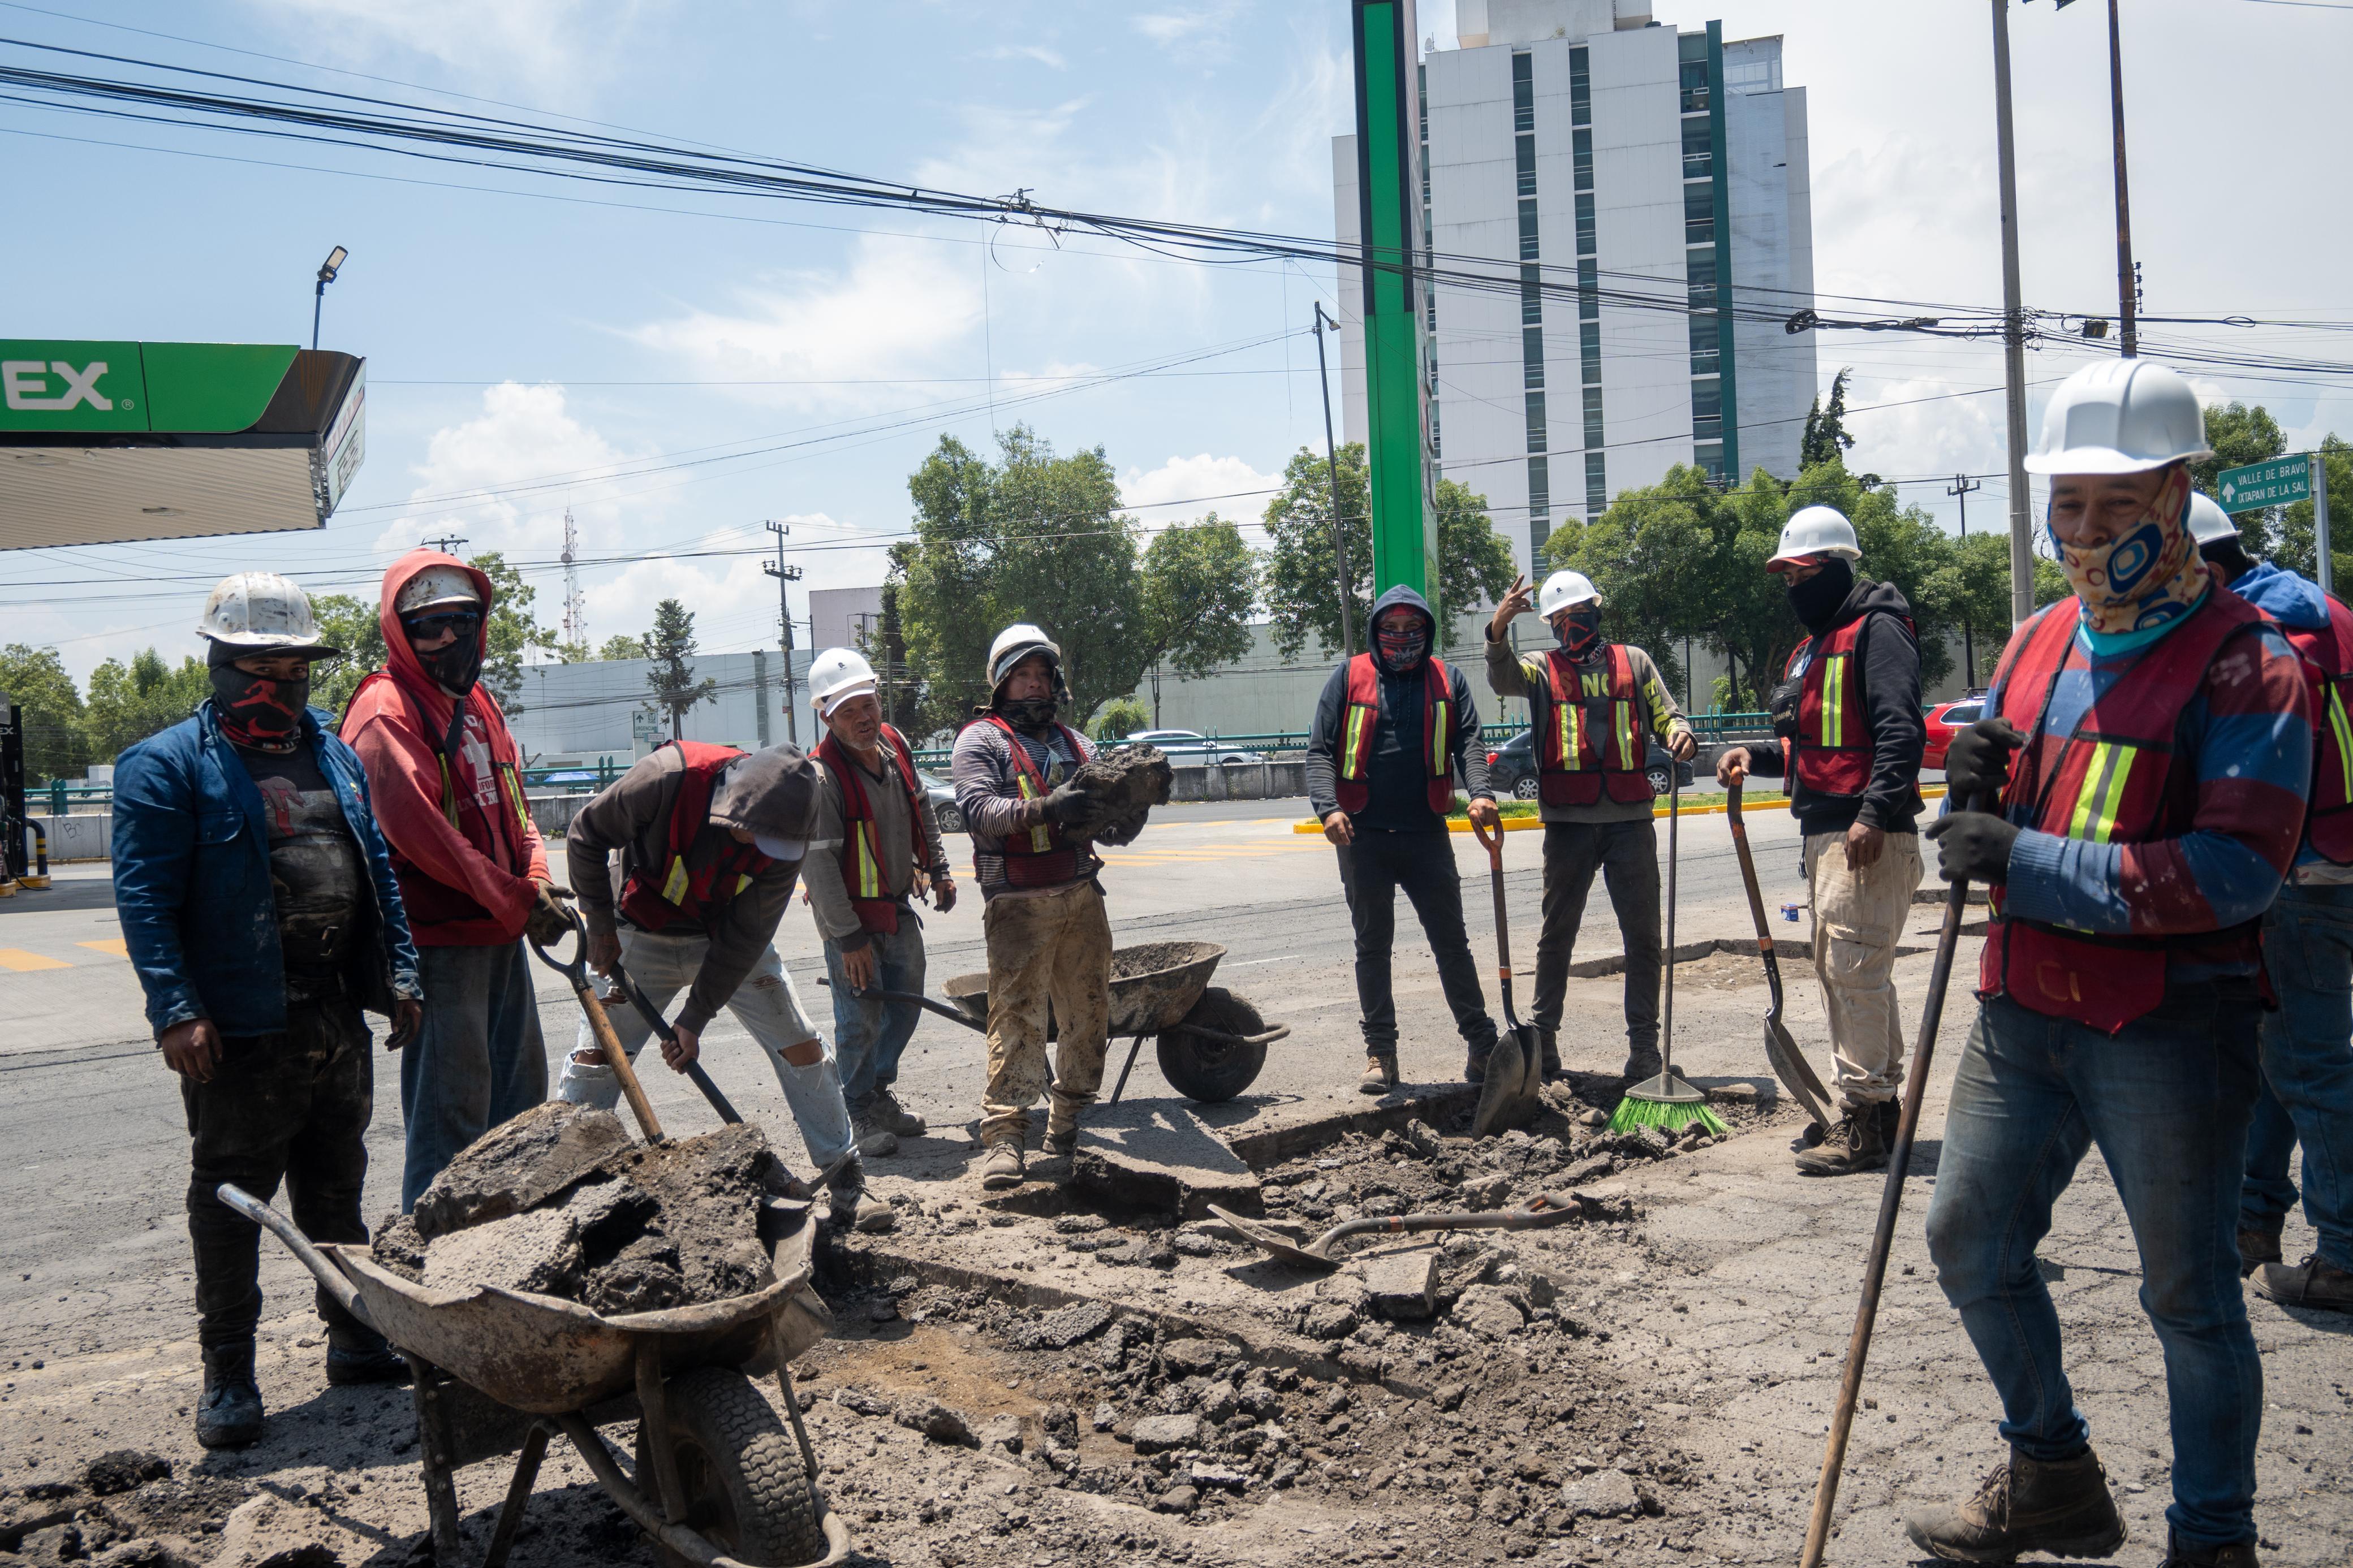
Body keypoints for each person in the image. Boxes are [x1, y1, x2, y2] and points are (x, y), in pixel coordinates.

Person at [1905, 360, 2309, 1568]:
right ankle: (2052, 1477)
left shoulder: (2252, 665)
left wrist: (2018, 856)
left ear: (2178, 495)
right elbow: (2004, 780)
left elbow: (2235, 872)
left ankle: (2212, 1540)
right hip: (2023, 1010)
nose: (2085, 532)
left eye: (2116, 506)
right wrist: (1966, 774)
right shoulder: (2038, 641)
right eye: (2068, 504)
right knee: (1969, 1243)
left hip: (2171, 1024)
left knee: (2187, 1297)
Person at [113, 572, 425, 1448]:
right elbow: (144, 900)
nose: (277, 683)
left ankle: (356, 1340)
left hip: (334, 1014)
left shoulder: (329, 752)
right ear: (217, 662)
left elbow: (378, 873)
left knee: (338, 1188)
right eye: (257, 663)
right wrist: (176, 1009)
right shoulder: (167, 765)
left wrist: (400, 973)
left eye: (293, 666)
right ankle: (229, 1379)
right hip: (240, 1027)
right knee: (232, 1203)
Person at [555, 740, 883, 1230]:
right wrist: (600, 924)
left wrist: (694, 1016)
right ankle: (562, 1191)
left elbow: (748, 934)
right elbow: (585, 835)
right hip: (639, 930)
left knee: (801, 1045)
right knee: (599, 1055)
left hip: (722, 935)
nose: (759, 850)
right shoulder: (665, 778)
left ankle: (845, 1176)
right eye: (753, 836)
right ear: (736, 805)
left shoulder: (789, 838)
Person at [341, 551, 567, 1210]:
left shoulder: (477, 703)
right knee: (453, 1119)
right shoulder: (386, 715)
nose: (447, 640)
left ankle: (516, 1244)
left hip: (499, 928)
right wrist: (515, 900)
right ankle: (434, 1261)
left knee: (519, 1104)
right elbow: (429, 840)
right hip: (440, 944)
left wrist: (536, 875)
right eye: (428, 627)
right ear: (398, 632)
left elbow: (516, 803)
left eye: (460, 623)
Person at [1714, 506, 1925, 1174]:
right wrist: (1752, 751)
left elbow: (1901, 732)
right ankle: (1878, 1112)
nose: (1791, 587)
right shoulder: (1815, 647)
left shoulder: (1878, 630)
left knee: (1855, 976)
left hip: (1864, 835)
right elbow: (1807, 744)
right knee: (1851, 976)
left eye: (1801, 573)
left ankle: (1863, 1121)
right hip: (1827, 831)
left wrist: (1872, 813)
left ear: (1834, 568)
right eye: (1785, 576)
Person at [2190, 491, 2353, 1314]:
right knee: (2273, 1057)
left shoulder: (2252, 641)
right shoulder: (2327, 611)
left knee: (2309, 1066)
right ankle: (2252, 1222)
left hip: (2299, 876)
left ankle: (2345, 1255)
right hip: (2340, 858)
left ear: (2209, 567)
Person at [951, 624, 1146, 1191]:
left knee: (1089, 1019)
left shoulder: (1074, 743)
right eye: (1022, 676)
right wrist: (1045, 806)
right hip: (1017, 907)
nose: (1034, 685)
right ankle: (1005, 1138)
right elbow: (979, 812)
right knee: (1017, 1022)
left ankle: (1067, 1124)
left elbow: (1104, 830)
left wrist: (1132, 807)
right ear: (1000, 684)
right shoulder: (980, 741)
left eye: (1041, 675)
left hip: (1081, 900)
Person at [1483, 568, 1696, 1080]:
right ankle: (1545, 1042)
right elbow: (1502, 676)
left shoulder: (1635, 661)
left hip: (1629, 819)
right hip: (1568, 823)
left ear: (1596, 613)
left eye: (1578, 615)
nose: (1571, 625)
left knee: (1643, 937)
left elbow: (1667, 715)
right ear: (1552, 626)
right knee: (1558, 935)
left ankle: (1645, 1047)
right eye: (1561, 619)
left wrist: (1680, 732)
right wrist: (1497, 632)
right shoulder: (1540, 668)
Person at [1306, 585, 1503, 1096]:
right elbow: (1320, 752)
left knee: (1451, 943)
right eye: (1390, 629)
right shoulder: (1349, 677)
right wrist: (1327, 809)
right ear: (1375, 631)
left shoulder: (1448, 679)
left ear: (1426, 632)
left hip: (1426, 834)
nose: (1400, 638)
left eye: (1411, 630)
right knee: (1373, 946)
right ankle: (1381, 1053)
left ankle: (1483, 1046)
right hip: (1362, 835)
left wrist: (1481, 793)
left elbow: (1470, 743)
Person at [801, 647, 956, 1158]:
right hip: (851, 921)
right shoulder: (821, 778)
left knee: (907, 1003)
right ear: (825, 714)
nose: (864, 718)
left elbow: (922, 808)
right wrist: (849, 940)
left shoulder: (894, 745)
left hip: (896, 907)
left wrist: (939, 869)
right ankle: (856, 1107)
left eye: (868, 703)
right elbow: (818, 867)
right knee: (859, 1018)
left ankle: (878, 1090)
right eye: (848, 711)